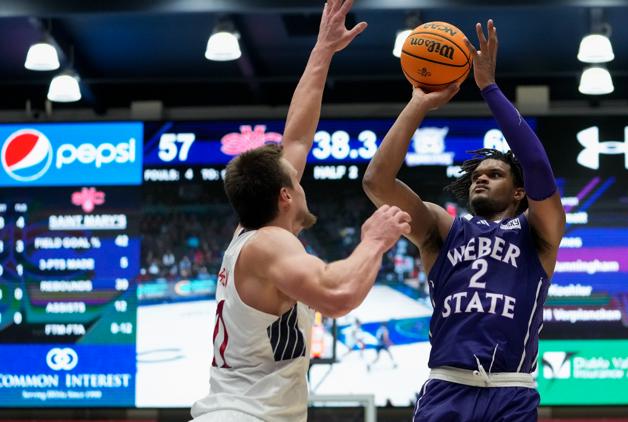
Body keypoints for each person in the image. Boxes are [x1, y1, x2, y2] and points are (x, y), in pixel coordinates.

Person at [190, 1, 412, 421]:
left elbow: (297, 138)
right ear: (285, 196)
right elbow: (338, 295)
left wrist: (322, 51)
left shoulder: (252, 233)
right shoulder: (269, 244)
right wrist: (374, 241)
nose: (301, 179)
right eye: (296, 180)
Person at [362, 19, 565, 421]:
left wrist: (489, 87)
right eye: (475, 176)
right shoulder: (444, 228)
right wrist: (418, 103)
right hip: (446, 386)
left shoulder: (538, 233)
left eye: (494, 174)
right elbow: (376, 181)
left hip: (511, 390)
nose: (480, 178)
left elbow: (538, 165)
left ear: (519, 191)